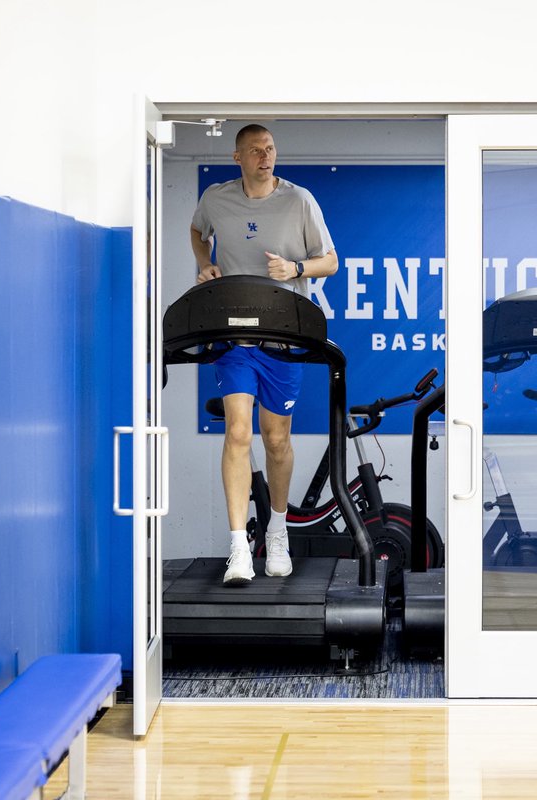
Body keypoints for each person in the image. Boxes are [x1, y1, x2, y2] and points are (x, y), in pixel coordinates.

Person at [190, 124, 338, 586]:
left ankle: (277, 532)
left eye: (270, 148)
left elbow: (330, 261)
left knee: (276, 440)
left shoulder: (299, 200)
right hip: (235, 337)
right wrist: (204, 262)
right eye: (255, 150)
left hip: (283, 338)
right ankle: (239, 547)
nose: (265, 156)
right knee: (238, 432)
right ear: (237, 157)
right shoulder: (217, 198)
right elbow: (197, 230)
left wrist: (296, 268)